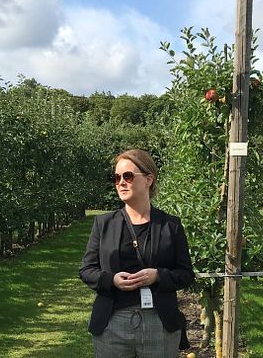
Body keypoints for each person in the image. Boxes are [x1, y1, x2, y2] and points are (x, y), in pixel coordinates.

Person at [80, 149, 194, 357]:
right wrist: (111, 279)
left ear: (149, 179)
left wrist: (158, 276)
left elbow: (186, 274)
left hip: (159, 322)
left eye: (128, 176)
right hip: (112, 321)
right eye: (116, 177)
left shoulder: (170, 225)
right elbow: (87, 270)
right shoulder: (104, 224)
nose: (121, 182)